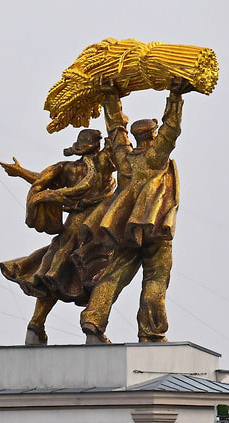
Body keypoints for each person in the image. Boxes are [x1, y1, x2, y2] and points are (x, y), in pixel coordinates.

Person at [79, 77, 195, 343]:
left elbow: (115, 131)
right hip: (155, 230)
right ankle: (151, 333)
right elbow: (172, 128)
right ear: (153, 135)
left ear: (136, 136)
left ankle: (93, 320)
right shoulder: (156, 156)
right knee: (155, 278)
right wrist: (175, 97)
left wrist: (110, 98)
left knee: (113, 274)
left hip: (126, 232)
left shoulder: (125, 159)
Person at [0, 128, 116, 344]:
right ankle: (93, 328)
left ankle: (36, 324)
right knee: (103, 273)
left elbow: (43, 180)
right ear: (97, 146)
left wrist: (20, 172)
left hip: (73, 225)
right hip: (96, 224)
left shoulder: (69, 168)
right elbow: (120, 149)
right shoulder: (103, 163)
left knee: (54, 273)